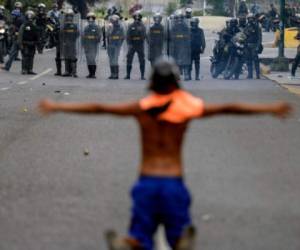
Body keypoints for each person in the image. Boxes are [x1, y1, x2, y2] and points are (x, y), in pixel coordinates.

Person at [38, 58, 292, 250]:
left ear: (152, 82)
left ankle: (133, 241)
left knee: (140, 235)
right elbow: (230, 107)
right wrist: (270, 108)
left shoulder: (141, 108)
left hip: (147, 182)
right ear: (175, 81)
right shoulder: (187, 107)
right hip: (173, 182)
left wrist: (58, 106)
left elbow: (98, 107)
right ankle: (179, 239)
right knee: (178, 235)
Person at [1, 1, 24, 71]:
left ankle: (24, 68)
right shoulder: (17, 19)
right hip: (17, 38)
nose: (13, 16)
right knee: (13, 53)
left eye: (14, 15)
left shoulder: (20, 20)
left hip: (20, 39)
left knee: (22, 54)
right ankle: (8, 67)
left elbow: (20, 29)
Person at [125, 11, 146, 80]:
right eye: (135, 17)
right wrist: (129, 44)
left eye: (138, 17)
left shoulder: (142, 26)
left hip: (140, 44)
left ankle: (142, 75)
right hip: (132, 45)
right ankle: (128, 75)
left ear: (140, 18)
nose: (137, 18)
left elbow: (144, 36)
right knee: (129, 59)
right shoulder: (131, 25)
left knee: (142, 60)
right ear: (134, 18)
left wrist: (140, 31)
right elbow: (128, 35)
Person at [60, 8, 79, 77]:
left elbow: (77, 34)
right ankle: (67, 71)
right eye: (67, 16)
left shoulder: (74, 25)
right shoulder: (64, 25)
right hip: (66, 43)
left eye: (70, 16)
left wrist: (73, 40)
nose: (69, 17)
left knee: (73, 58)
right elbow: (62, 34)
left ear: (72, 17)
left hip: (72, 43)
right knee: (66, 57)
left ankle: (74, 72)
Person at [18, 10, 39, 75]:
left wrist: (37, 43)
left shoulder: (34, 25)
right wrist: (20, 44)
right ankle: (24, 69)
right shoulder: (23, 25)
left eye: (31, 16)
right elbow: (20, 35)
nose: (30, 18)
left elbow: (36, 35)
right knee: (25, 56)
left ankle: (30, 69)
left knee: (31, 57)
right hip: (25, 43)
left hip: (32, 43)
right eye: (29, 16)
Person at [82, 12, 101, 78]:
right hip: (87, 46)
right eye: (89, 18)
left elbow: (99, 37)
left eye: (92, 18)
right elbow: (83, 37)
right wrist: (83, 44)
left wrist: (93, 39)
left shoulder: (97, 27)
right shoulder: (86, 28)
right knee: (88, 60)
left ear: (94, 19)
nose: (90, 19)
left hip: (93, 46)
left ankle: (93, 74)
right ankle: (90, 73)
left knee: (92, 59)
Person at [107, 14, 125, 79]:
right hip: (110, 45)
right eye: (112, 20)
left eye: (114, 20)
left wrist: (119, 45)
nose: (113, 21)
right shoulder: (110, 27)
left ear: (117, 20)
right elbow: (107, 35)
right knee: (111, 60)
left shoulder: (120, 27)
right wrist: (110, 29)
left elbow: (123, 37)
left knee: (115, 60)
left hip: (117, 46)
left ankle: (116, 75)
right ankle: (112, 74)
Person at [244, 14, 262, 79]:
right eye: (249, 18)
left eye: (251, 18)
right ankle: (250, 75)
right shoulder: (246, 26)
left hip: (254, 45)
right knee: (248, 60)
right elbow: (244, 35)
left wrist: (258, 46)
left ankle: (257, 75)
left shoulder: (257, 27)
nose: (250, 20)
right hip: (247, 45)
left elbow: (259, 37)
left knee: (256, 60)